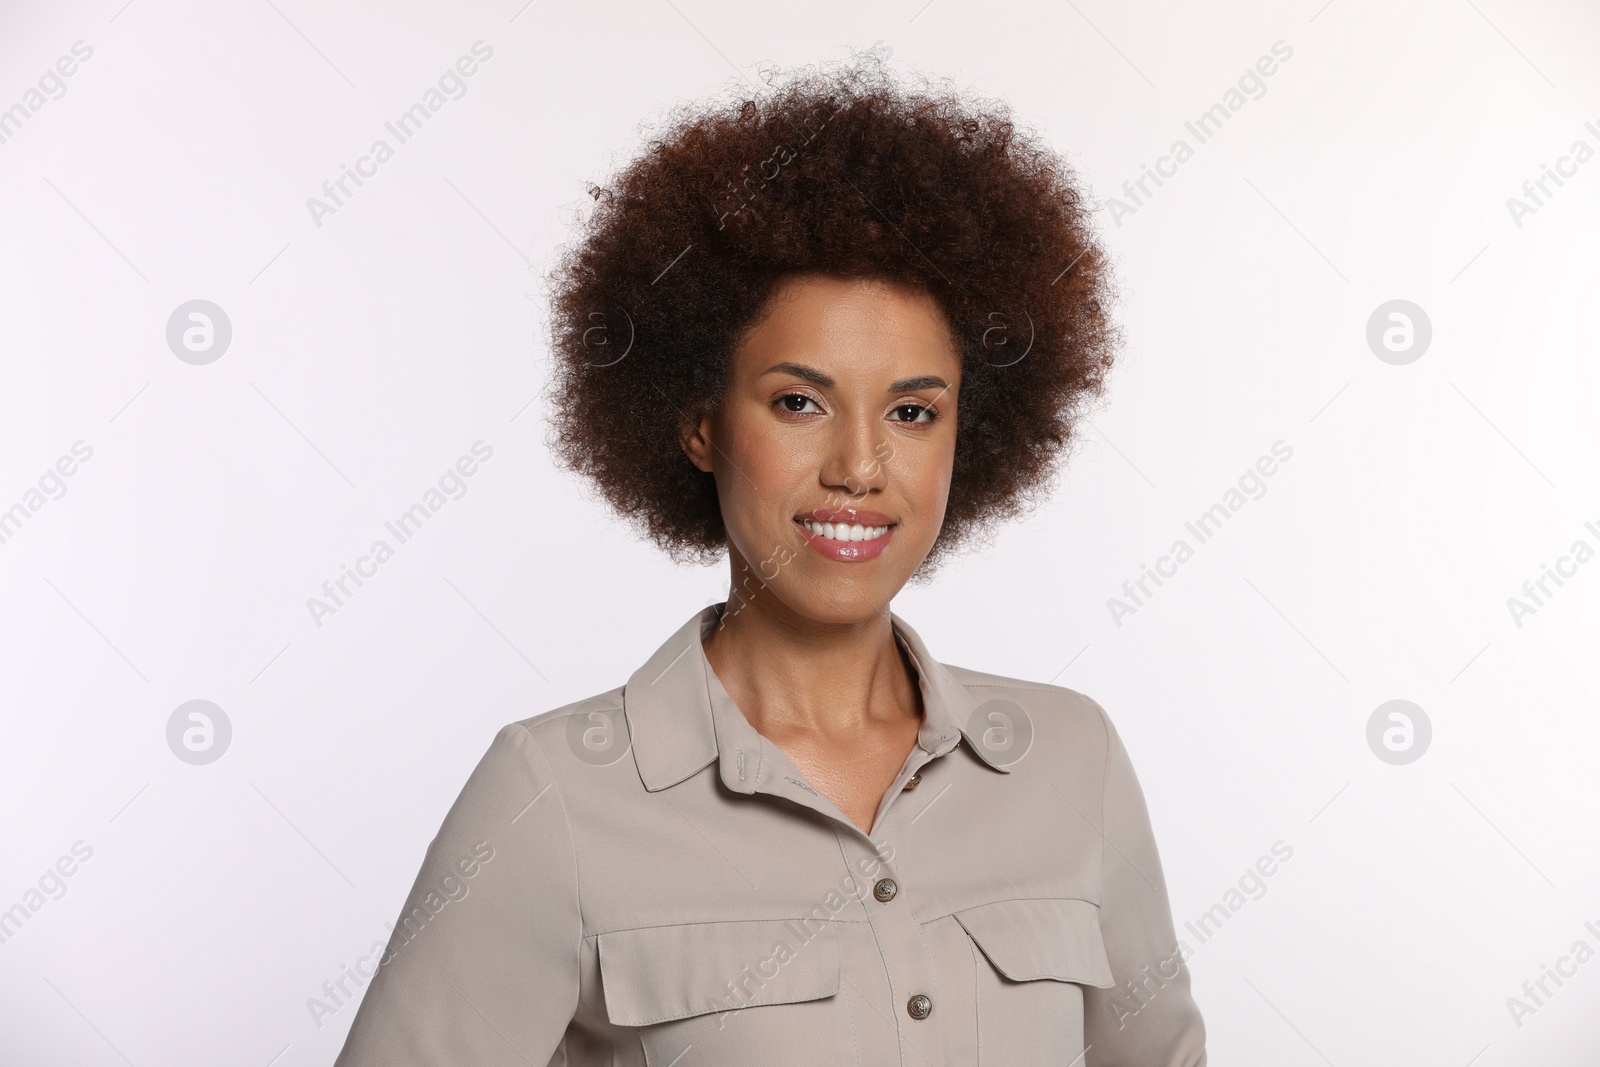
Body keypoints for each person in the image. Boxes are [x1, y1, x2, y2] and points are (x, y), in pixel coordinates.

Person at [334, 51, 1206, 1066]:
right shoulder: (553, 799)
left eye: (913, 411)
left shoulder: (1068, 761)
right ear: (701, 424)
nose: (859, 465)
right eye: (799, 401)